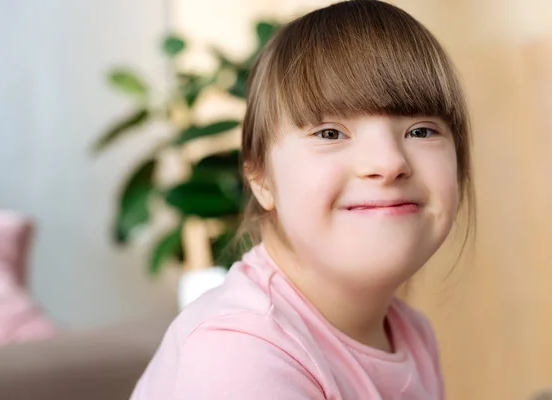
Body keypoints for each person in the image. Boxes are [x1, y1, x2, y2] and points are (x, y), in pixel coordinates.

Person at [130, 0, 474, 398]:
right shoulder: (241, 354)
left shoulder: (411, 332)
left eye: (421, 131)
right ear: (260, 178)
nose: (389, 162)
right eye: (330, 133)